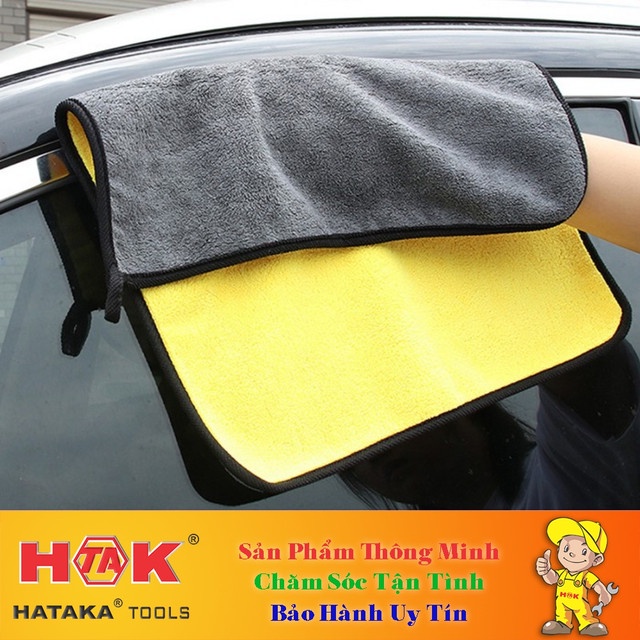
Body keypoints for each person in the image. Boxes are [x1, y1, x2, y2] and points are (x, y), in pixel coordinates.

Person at [340, 133, 640, 510]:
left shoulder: (567, 487)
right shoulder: (374, 550)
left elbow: (583, 357)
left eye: (388, 419)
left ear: (468, 404)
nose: (371, 455)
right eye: (344, 443)